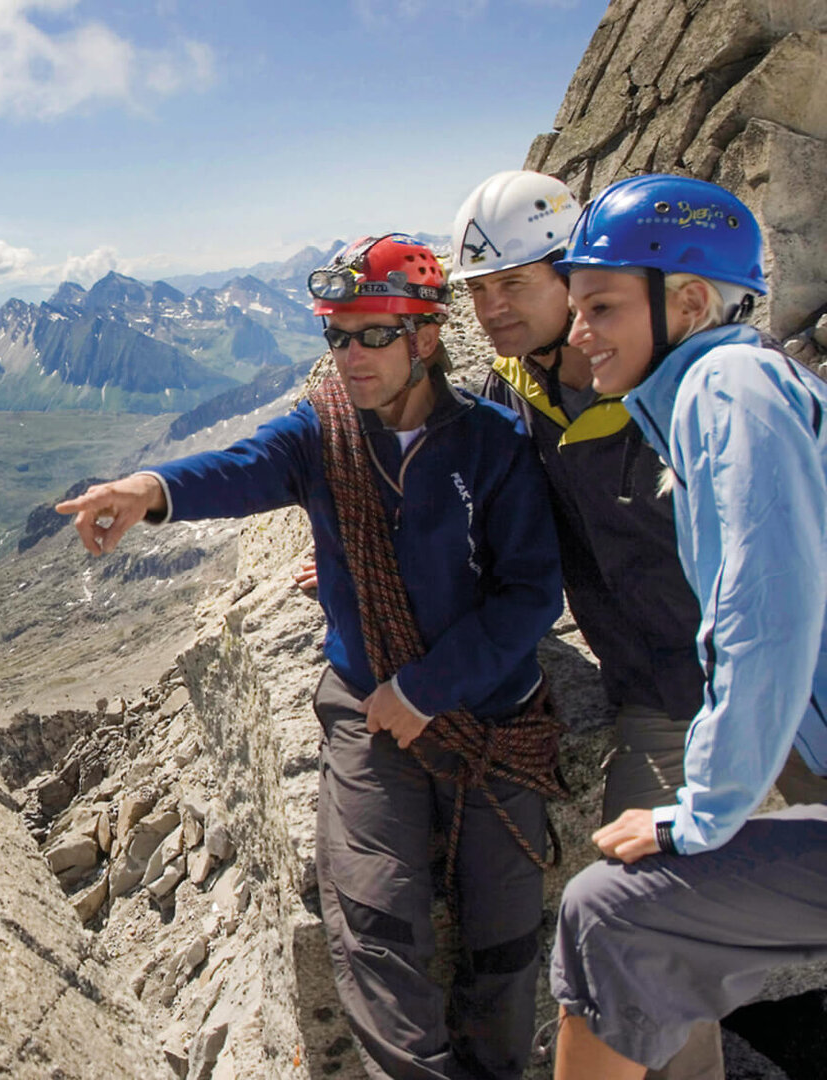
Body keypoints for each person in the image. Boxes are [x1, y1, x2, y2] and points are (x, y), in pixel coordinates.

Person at [58, 235, 564, 1080]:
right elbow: (245, 467)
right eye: (337, 335)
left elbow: (530, 596)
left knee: (504, 935)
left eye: (373, 334)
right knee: (376, 918)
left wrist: (427, 686)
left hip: (487, 709)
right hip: (367, 708)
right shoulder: (323, 431)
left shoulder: (492, 443)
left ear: (425, 339)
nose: (350, 354)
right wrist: (151, 490)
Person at [546, 174, 827, 1080]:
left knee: (611, 916)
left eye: (601, 307)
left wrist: (702, 813)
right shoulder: (723, 392)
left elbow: (763, 611)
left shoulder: (727, 385)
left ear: (691, 301)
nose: (579, 334)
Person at [450, 168, 724, 1077]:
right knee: (644, 926)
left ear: (573, 272)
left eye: (513, 283)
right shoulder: (515, 390)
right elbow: (471, 498)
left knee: (644, 921)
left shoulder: (684, 389)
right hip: (661, 699)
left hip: (756, 688)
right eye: (478, 290)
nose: (490, 309)